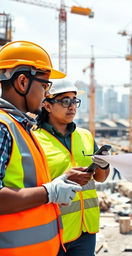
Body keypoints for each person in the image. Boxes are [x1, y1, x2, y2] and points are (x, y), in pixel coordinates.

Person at [0, 41, 83, 256]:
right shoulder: (3, 127)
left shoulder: (20, 125)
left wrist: (54, 186)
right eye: (45, 85)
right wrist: (49, 193)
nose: (46, 93)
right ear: (22, 82)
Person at [33, 79, 110, 256]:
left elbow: (100, 177)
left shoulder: (85, 136)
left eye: (74, 101)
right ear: (47, 105)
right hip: (53, 229)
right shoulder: (34, 138)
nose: (72, 106)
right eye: (65, 101)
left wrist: (104, 164)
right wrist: (65, 178)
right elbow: (28, 185)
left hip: (86, 229)